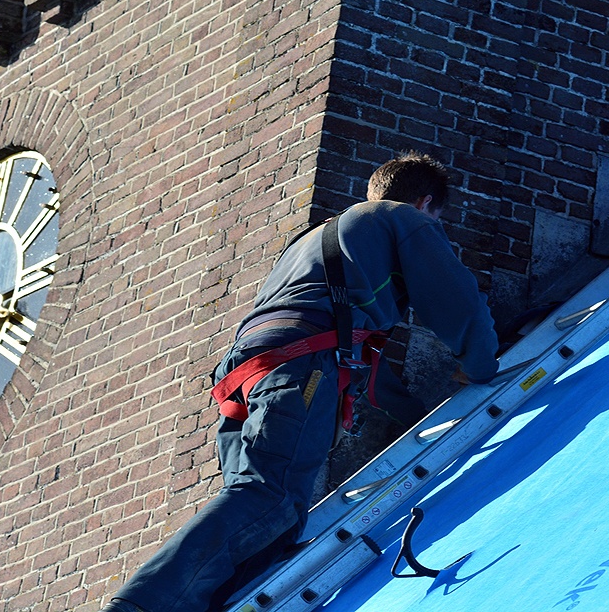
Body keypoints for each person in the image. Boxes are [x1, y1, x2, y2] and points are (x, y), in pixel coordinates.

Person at [102, 152, 499, 612]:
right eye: (436, 218)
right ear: (426, 203)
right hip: (299, 364)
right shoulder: (401, 218)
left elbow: (362, 354)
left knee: (272, 521)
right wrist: (480, 365)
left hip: (248, 373)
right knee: (269, 497)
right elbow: (456, 299)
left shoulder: (317, 240)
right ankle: (142, 606)